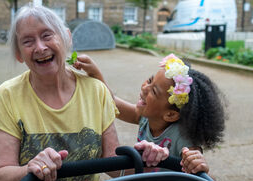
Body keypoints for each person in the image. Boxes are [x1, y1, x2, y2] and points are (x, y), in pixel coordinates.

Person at [0, 4, 168, 181]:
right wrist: (30, 168)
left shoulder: (96, 91)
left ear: (66, 38)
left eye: (47, 35)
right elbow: (1, 174)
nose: (40, 47)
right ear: (19, 54)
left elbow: (112, 163)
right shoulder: (8, 95)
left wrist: (146, 159)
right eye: (28, 41)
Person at [73, 53, 227, 174]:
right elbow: (111, 100)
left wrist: (197, 162)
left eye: (154, 91)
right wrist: (95, 72)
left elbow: (196, 162)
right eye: (150, 80)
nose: (145, 87)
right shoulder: (144, 118)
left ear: (170, 115)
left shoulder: (182, 138)